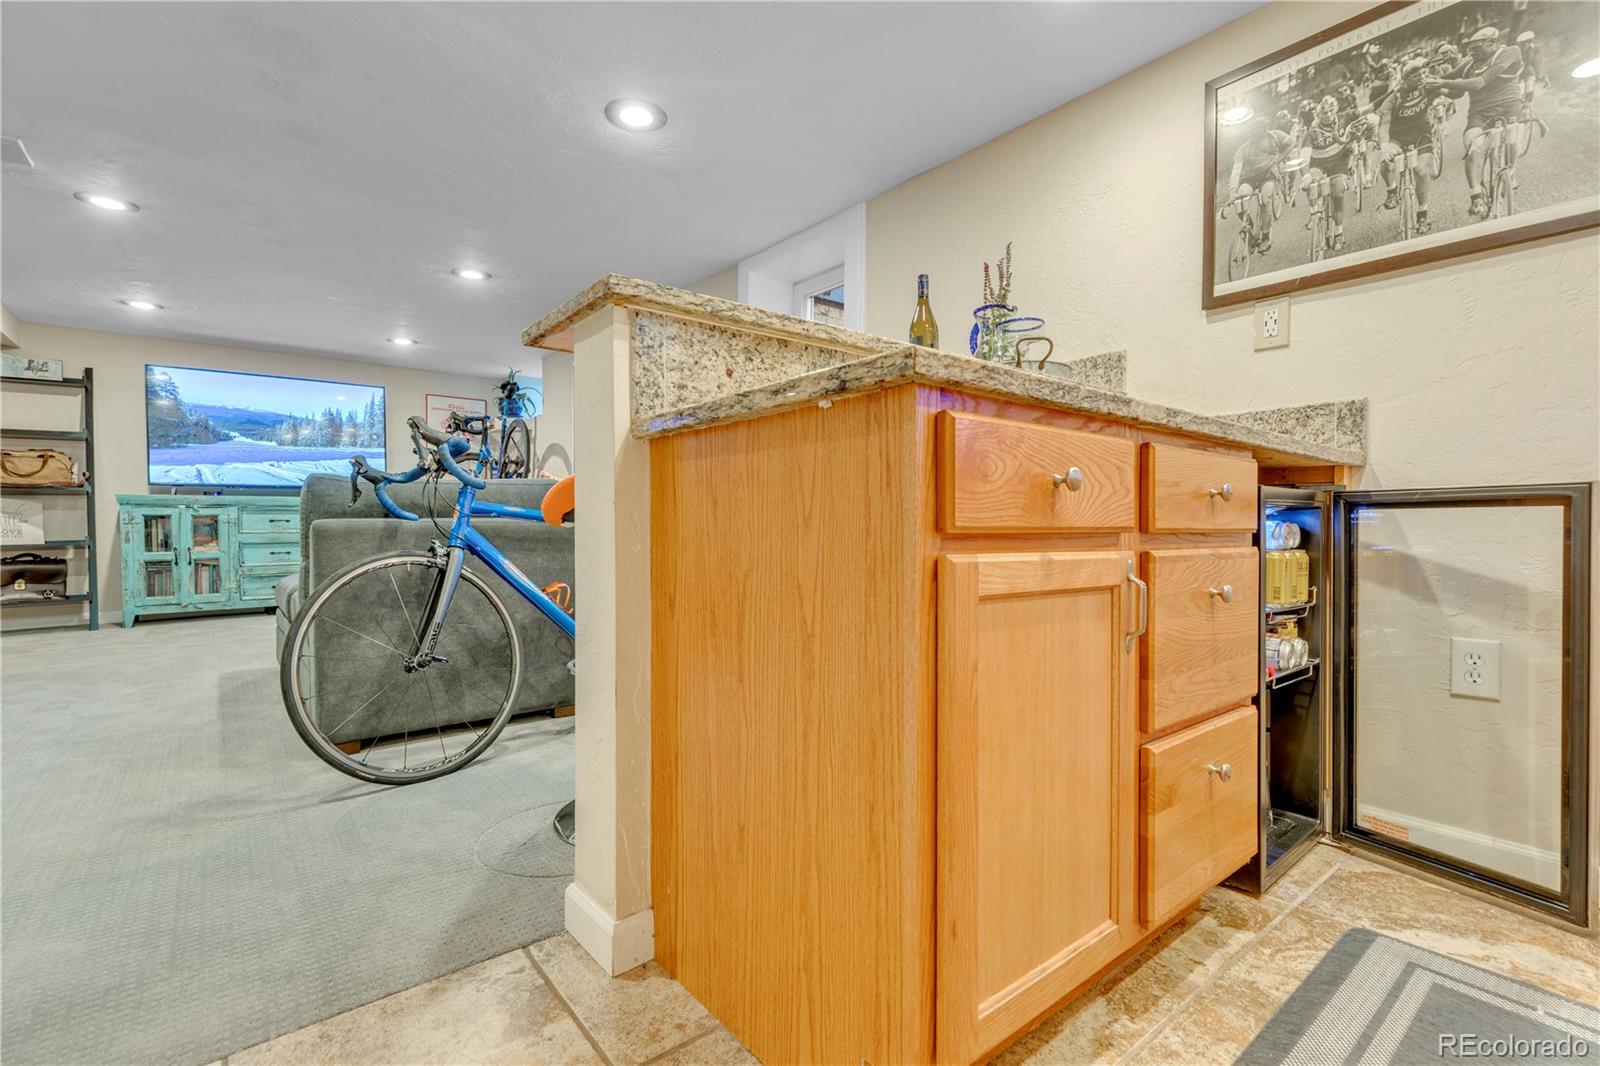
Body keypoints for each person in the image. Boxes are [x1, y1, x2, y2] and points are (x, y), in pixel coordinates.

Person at [1427, 26, 1524, 217]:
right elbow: (1451, 82)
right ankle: (1476, 196)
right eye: (1470, 49)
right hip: (1479, 112)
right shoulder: (1469, 63)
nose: (1472, 52)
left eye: (1476, 48)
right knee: (1473, 148)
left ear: (1491, 43)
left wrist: (1443, 83)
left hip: (1509, 106)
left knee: (1512, 138)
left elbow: (1480, 82)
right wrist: (1429, 81)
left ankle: (1511, 172)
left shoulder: (1509, 52)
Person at [1304, 95, 1371, 252]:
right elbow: (1305, 153)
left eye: (1330, 112)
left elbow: (1369, 108)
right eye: (1323, 113)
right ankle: (1314, 211)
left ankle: (1338, 232)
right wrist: (1306, 175)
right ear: (1318, 115)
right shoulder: (1313, 131)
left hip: (1338, 163)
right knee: (1311, 184)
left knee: (1338, 192)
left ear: (1335, 111)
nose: (1327, 115)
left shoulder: (1344, 117)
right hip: (1318, 164)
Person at [1378, 59, 1437, 233]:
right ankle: (1392, 190)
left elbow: (1449, 91)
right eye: (1415, 76)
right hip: (1398, 137)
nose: (1420, 78)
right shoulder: (1394, 97)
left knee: (1421, 171)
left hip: (1422, 133)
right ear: (1405, 79)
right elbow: (1384, 124)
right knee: (1386, 164)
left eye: (1421, 74)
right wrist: (1384, 146)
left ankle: (1422, 214)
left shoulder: (1427, 87)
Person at [1226, 116, 1296, 253]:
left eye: (1264, 130)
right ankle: (1249, 227)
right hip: (1249, 177)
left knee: (1266, 198)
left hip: (1268, 174)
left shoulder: (1275, 136)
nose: (1262, 133)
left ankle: (1265, 237)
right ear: (1252, 132)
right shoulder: (1243, 149)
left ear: (1267, 128)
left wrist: (1280, 157)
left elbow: (1292, 142)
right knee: (1240, 201)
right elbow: (1236, 171)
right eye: (1258, 131)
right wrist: (1232, 193)